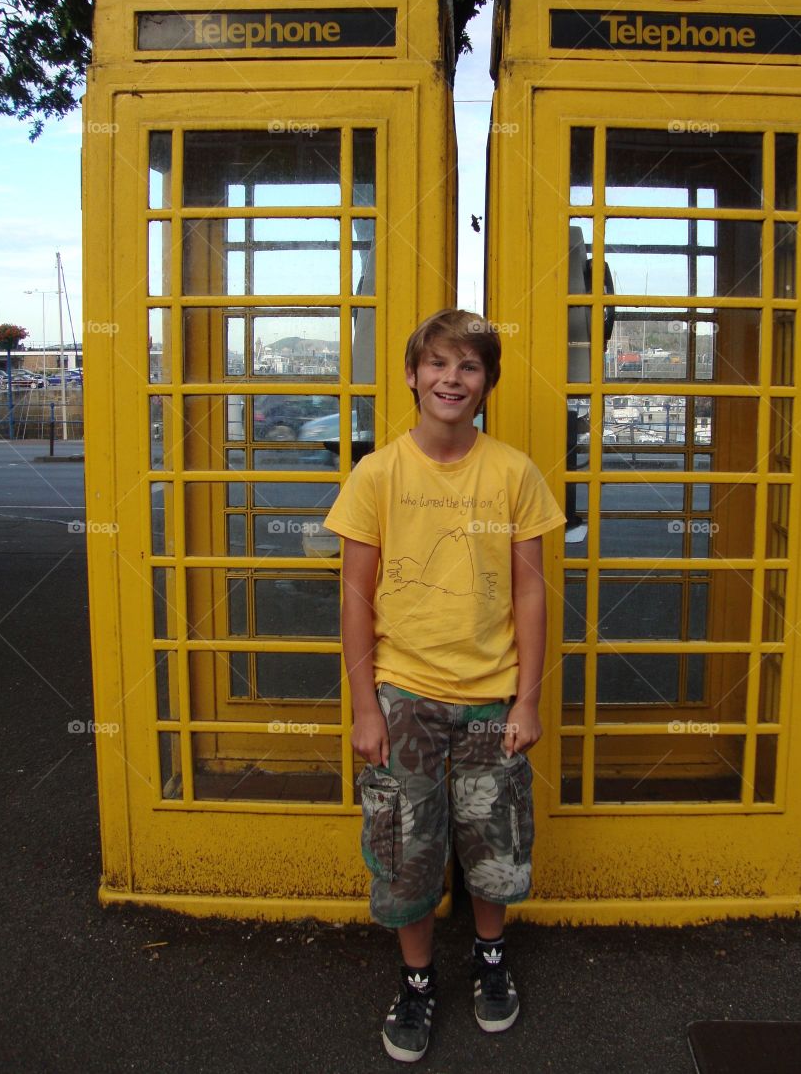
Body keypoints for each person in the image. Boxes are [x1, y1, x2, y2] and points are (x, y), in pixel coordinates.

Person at [323, 308, 565, 1063]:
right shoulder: (378, 474)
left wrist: (527, 698)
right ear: (411, 375)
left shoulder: (514, 471)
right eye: (437, 364)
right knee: (406, 851)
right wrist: (366, 707)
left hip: (493, 694)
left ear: (487, 382)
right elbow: (356, 596)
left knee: (492, 845)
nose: (451, 379)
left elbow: (531, 591)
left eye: (468, 367)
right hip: (403, 694)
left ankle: (490, 958)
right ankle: (418, 977)